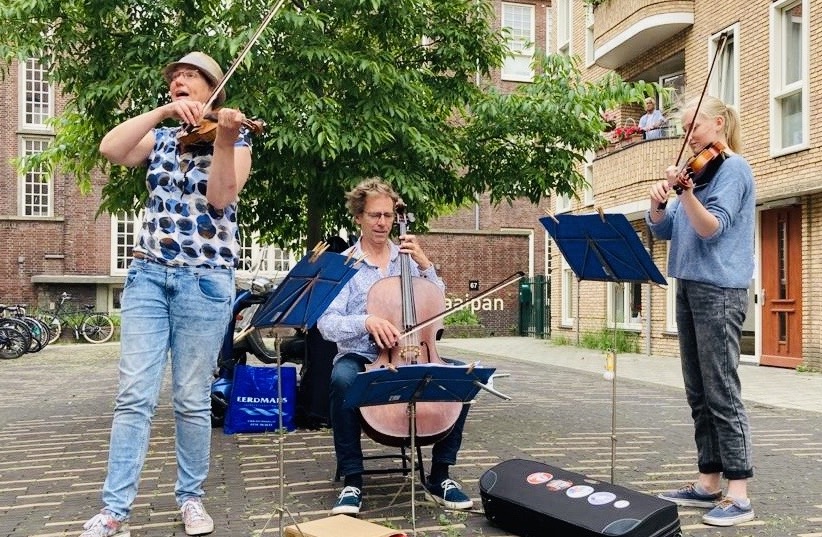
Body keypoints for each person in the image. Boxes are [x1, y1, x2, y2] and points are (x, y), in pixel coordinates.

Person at [82, 51, 253, 537]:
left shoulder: (234, 137)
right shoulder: (158, 137)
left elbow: (221, 197)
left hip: (206, 278)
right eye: (175, 78)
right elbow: (110, 149)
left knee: (191, 397)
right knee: (134, 394)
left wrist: (222, 138)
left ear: (212, 90)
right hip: (150, 274)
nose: (180, 82)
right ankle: (115, 509)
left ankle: (191, 498)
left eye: (190, 77)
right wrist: (159, 114)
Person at [317, 178, 473, 516]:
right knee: (342, 379)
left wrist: (426, 265)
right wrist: (366, 321)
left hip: (415, 349)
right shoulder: (344, 264)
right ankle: (353, 481)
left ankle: (441, 475)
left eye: (388, 215)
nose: (382, 223)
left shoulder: (408, 258)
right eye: (374, 215)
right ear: (358, 216)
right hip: (362, 355)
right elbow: (326, 324)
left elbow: (437, 303)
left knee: (464, 377)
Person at [647, 95, 755, 527]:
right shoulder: (696, 172)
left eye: (695, 128)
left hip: (720, 290)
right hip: (689, 286)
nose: (689, 137)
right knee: (698, 391)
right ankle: (708, 481)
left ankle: (739, 492)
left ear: (719, 124)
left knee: (722, 390)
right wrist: (658, 202)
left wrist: (686, 194)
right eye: (685, 129)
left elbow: (711, 228)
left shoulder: (733, 170)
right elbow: (664, 229)